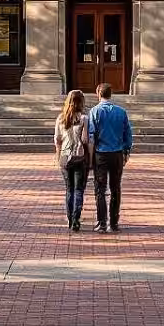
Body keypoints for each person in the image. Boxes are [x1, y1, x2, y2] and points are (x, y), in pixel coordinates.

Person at [88, 83, 133, 233]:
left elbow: (91, 136)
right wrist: (126, 151)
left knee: (100, 189)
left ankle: (102, 223)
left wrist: (90, 155)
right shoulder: (121, 112)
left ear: (98, 94)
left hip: (101, 153)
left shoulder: (94, 111)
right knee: (115, 188)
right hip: (117, 153)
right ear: (110, 94)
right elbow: (128, 134)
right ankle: (114, 223)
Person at [54, 89, 90, 231]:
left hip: (64, 156)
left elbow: (57, 140)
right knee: (79, 189)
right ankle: (76, 219)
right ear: (81, 102)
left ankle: (70, 218)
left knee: (69, 189)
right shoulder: (84, 119)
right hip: (79, 157)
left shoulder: (60, 118)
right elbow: (85, 139)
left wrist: (58, 157)